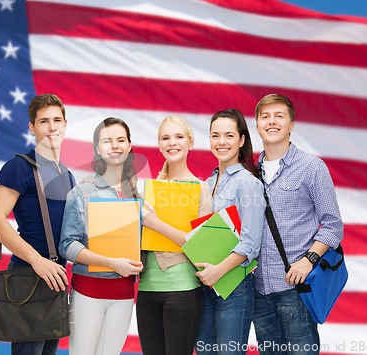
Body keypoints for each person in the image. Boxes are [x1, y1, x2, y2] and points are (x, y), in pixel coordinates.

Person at [252, 94, 344, 355]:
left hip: (296, 288)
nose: (272, 122)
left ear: (291, 124)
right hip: (259, 289)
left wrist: (308, 260)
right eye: (265, 117)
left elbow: (333, 225)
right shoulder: (249, 171)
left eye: (279, 116)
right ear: (257, 125)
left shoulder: (311, 167)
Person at [0, 93, 76, 355]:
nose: (52, 127)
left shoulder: (68, 175)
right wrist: (37, 261)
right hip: (29, 275)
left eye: (57, 120)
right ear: (32, 127)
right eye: (44, 121)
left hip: (56, 278)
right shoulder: (19, 168)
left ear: (66, 124)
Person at [59, 117, 143, 355]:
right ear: (97, 148)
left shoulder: (138, 196)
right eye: (107, 141)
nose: (114, 146)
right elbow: (67, 245)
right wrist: (110, 263)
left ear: (129, 146)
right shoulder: (82, 192)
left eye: (120, 140)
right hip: (88, 294)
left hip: (124, 295)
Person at [137, 115, 212, 355]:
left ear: (190, 143)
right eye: (165, 138)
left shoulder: (201, 189)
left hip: (182, 289)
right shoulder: (146, 189)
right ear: (159, 145)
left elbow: (200, 245)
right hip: (147, 289)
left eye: (179, 137)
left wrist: (155, 223)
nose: (172, 142)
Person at [194, 108, 265, 355]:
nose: (221, 142)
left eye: (228, 135)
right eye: (215, 135)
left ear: (241, 140)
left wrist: (218, 272)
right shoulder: (208, 182)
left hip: (234, 287)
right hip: (204, 285)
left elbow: (251, 243)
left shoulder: (248, 183)